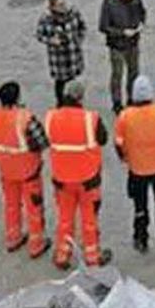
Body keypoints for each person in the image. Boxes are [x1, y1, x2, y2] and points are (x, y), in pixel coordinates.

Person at [45, 80, 112, 269]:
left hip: (61, 178)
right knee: (89, 219)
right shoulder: (91, 118)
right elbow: (103, 138)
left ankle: (62, 254)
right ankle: (92, 255)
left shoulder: (51, 117)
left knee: (65, 218)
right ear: (81, 97)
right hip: (87, 178)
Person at [0, 81, 51, 258]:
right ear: (18, 97)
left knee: (11, 204)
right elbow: (41, 142)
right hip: (28, 170)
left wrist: (1, 156)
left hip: (6, 169)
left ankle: (13, 237)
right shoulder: (25, 117)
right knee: (34, 206)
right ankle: (36, 243)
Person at [114, 76, 155, 254]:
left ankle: (141, 238)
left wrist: (126, 158)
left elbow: (119, 143)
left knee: (139, 206)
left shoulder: (125, 116)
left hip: (137, 169)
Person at [99, 0, 146, 114]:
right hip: (117, 46)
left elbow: (142, 12)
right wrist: (122, 32)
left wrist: (141, 23)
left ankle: (131, 98)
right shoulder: (109, 2)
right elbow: (103, 26)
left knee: (134, 73)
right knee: (117, 75)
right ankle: (117, 102)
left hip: (133, 43)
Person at [36, 0, 87, 106]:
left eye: (63, 3)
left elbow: (82, 26)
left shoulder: (73, 13)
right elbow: (39, 35)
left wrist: (79, 39)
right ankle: (60, 104)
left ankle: (74, 102)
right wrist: (51, 41)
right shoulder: (46, 19)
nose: (63, 6)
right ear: (52, 7)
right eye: (60, 5)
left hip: (73, 55)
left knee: (73, 81)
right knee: (60, 83)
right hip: (59, 59)